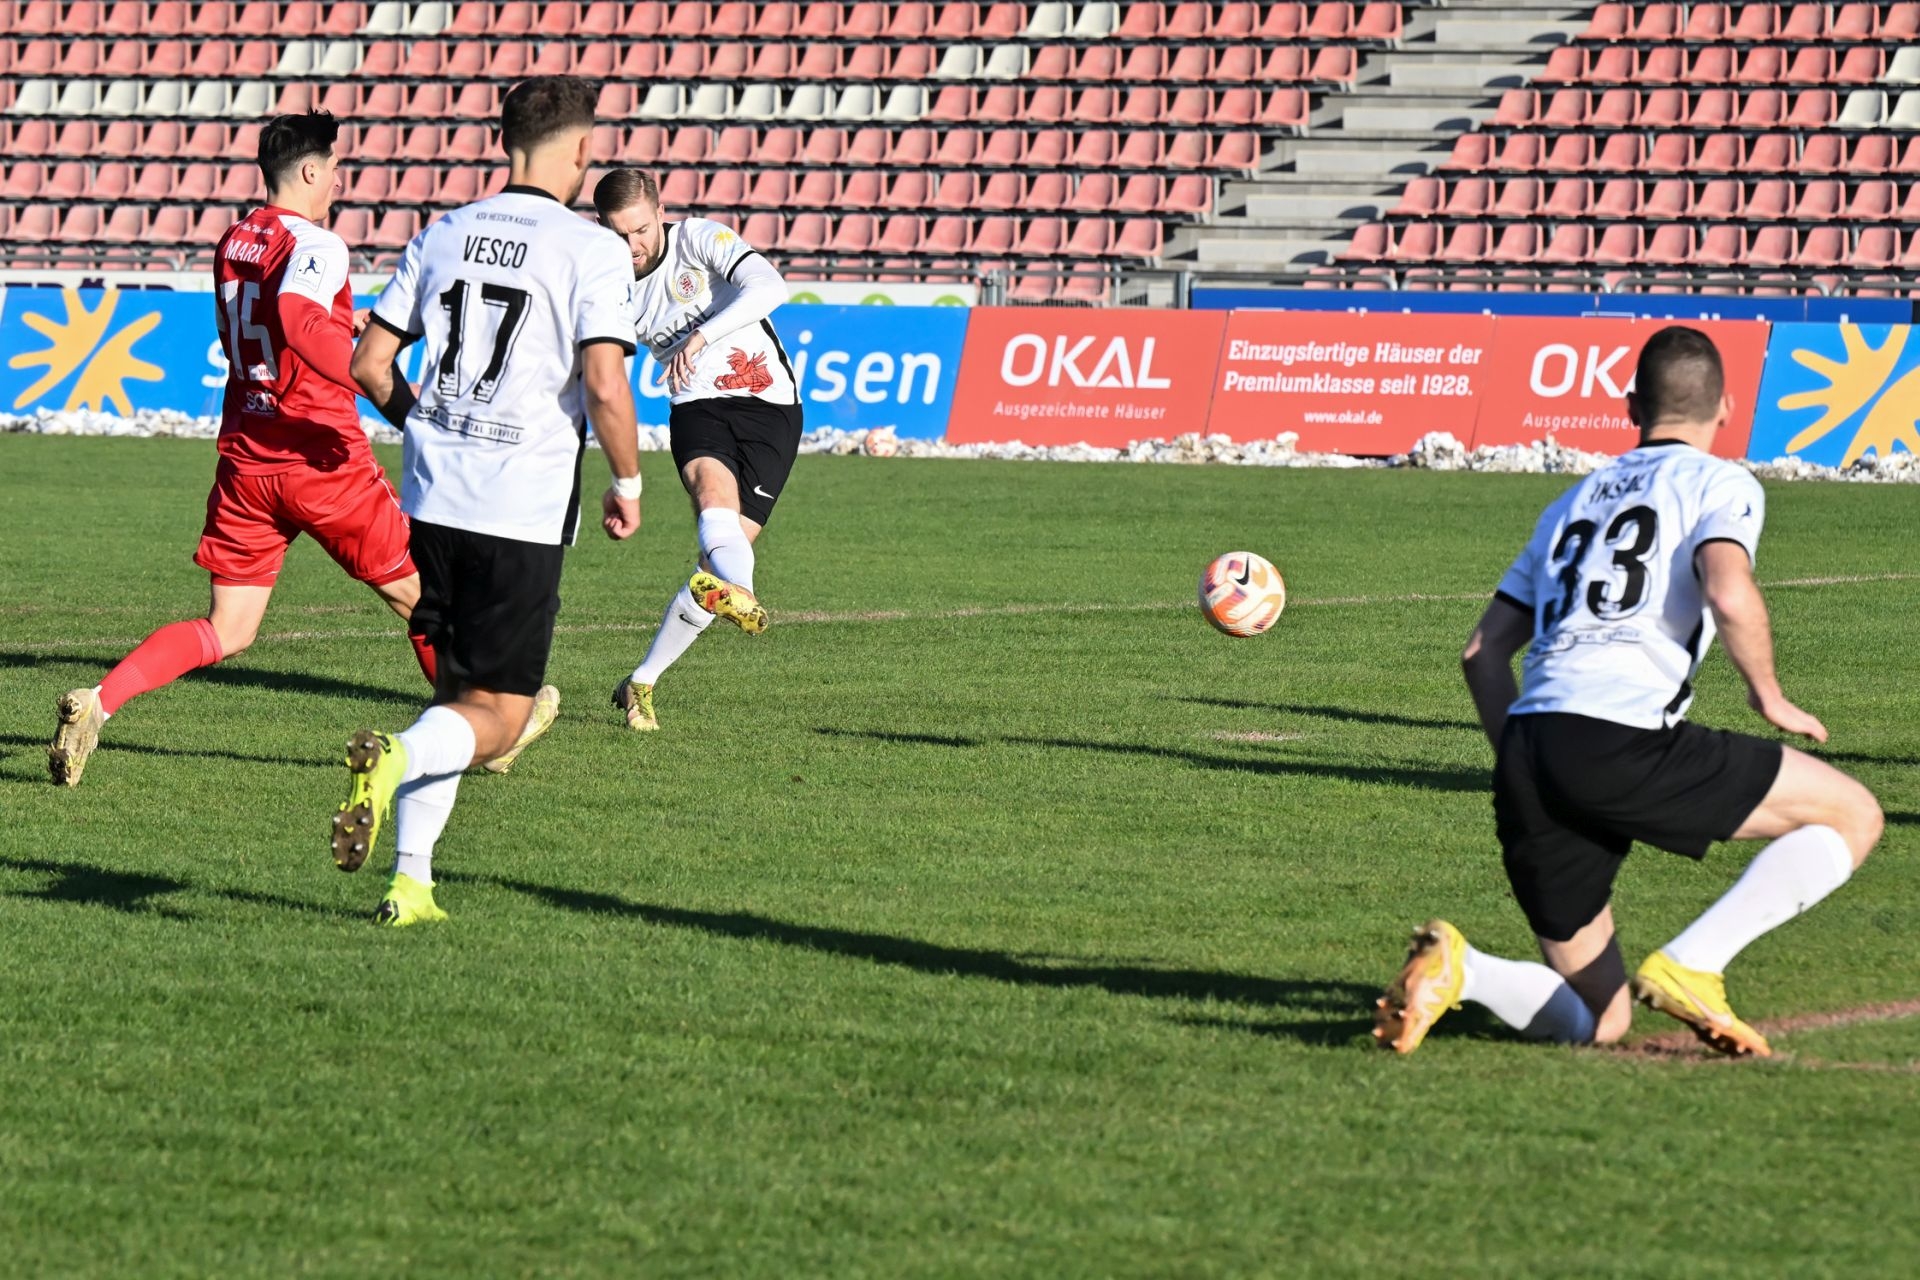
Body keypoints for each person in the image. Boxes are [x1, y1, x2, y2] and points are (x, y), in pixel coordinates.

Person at [1376, 326, 1883, 1058]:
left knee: (1600, 1020)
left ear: (1630, 408)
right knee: (1854, 815)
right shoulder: (1720, 482)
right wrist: (1768, 695)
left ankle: (1466, 968)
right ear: (1727, 409)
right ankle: (1694, 964)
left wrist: (1522, 763)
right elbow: (1728, 590)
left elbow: (1481, 655)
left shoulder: (1570, 502)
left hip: (1529, 743)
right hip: (1617, 734)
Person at [45, 111, 556, 787]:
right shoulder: (318, 243)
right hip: (321, 462)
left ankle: (99, 701)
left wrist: (343, 325)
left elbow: (273, 321)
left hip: (247, 463)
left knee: (228, 629)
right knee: (426, 600)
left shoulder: (236, 238)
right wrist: (372, 377)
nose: (339, 181)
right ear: (311, 170)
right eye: (336, 168)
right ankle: (490, 729)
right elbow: (296, 319)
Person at [335, 76, 644, 926]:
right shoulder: (589, 249)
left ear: (506, 140)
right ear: (582, 149)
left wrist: (424, 423)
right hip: (518, 509)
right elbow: (605, 384)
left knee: (456, 700)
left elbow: (368, 365)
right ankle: (395, 757)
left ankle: (410, 884)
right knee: (501, 723)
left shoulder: (443, 232)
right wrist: (628, 481)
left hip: (433, 503)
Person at [591, 168, 803, 733]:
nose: (631, 245)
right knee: (712, 495)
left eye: (640, 230)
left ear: (661, 213)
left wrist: (702, 335)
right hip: (695, 406)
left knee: (717, 561)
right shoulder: (606, 282)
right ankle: (745, 596)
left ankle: (642, 681)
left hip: (772, 408)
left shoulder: (699, 238)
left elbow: (771, 288)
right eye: (618, 234)